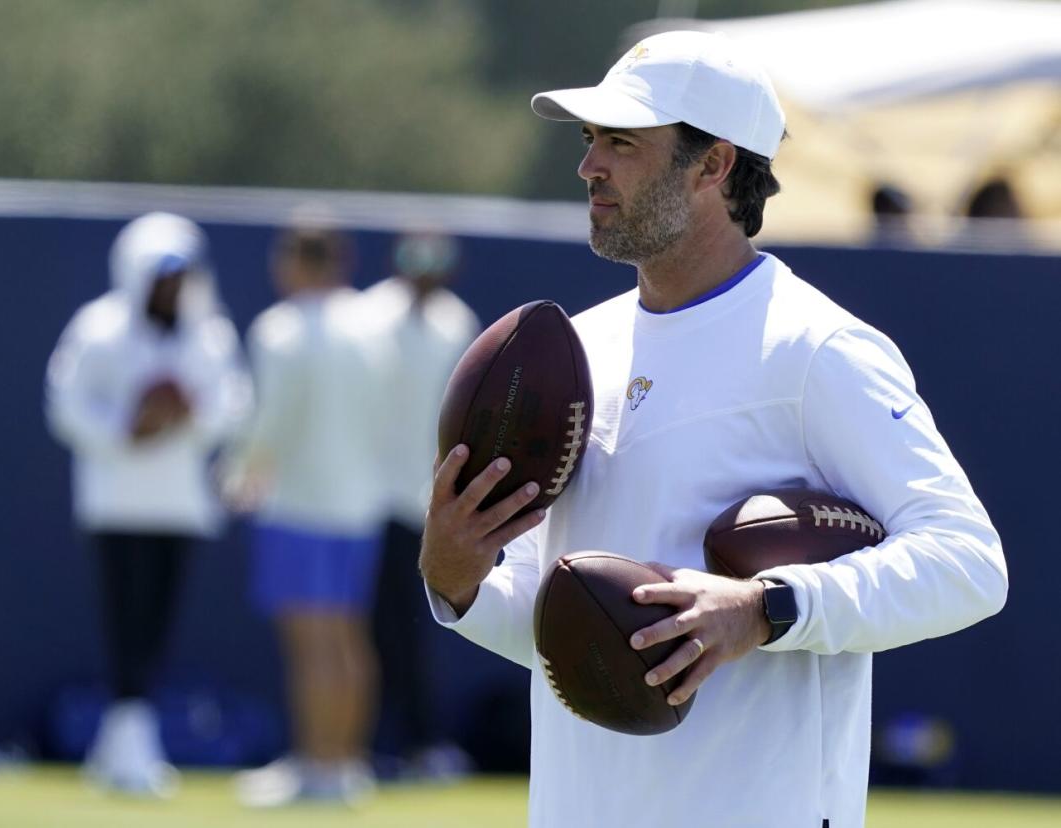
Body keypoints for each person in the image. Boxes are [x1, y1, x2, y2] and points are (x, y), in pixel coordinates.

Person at [419, 31, 1007, 828]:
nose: (589, 165)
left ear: (714, 165)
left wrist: (765, 606)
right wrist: (458, 582)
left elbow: (970, 564)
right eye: (592, 140)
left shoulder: (817, 349)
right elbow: (560, 623)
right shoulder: (576, 349)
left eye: (622, 142)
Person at [46, 211, 251, 796]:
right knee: (124, 624)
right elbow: (65, 404)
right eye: (159, 275)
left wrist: (189, 415)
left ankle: (121, 744)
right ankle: (131, 751)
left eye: (178, 276)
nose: (169, 287)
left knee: (156, 628)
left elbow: (232, 404)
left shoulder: (210, 333)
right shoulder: (98, 329)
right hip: (114, 502)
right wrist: (125, 426)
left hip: (181, 506)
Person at [231, 222, 386, 807]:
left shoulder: (281, 329)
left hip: (299, 503)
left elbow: (269, 422)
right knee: (345, 638)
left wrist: (239, 475)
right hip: (359, 506)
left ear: (297, 262)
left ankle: (317, 767)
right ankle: (342, 766)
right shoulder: (373, 326)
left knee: (313, 643)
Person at [361, 232, 479, 780]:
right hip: (363, 499)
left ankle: (416, 743)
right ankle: (360, 746)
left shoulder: (458, 324)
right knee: (360, 627)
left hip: (424, 505)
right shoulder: (369, 316)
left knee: (412, 627)